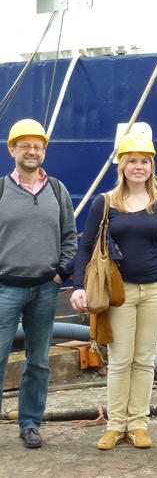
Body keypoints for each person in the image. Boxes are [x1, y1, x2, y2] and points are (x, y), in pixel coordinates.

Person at [70, 133, 157, 450]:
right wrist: (78, 286)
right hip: (119, 293)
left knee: (144, 360)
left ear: (151, 165)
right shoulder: (105, 203)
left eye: (144, 161)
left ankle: (139, 425)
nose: (139, 166)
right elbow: (85, 246)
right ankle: (116, 425)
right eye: (132, 160)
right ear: (122, 165)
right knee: (120, 360)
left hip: (155, 290)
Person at [0, 119, 76, 448]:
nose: (32, 151)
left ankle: (30, 422)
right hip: (6, 288)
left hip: (46, 289)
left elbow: (71, 238)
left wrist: (60, 274)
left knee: (38, 361)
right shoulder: (1, 189)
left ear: (44, 151)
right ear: (12, 149)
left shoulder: (57, 190)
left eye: (38, 146)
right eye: (25, 145)